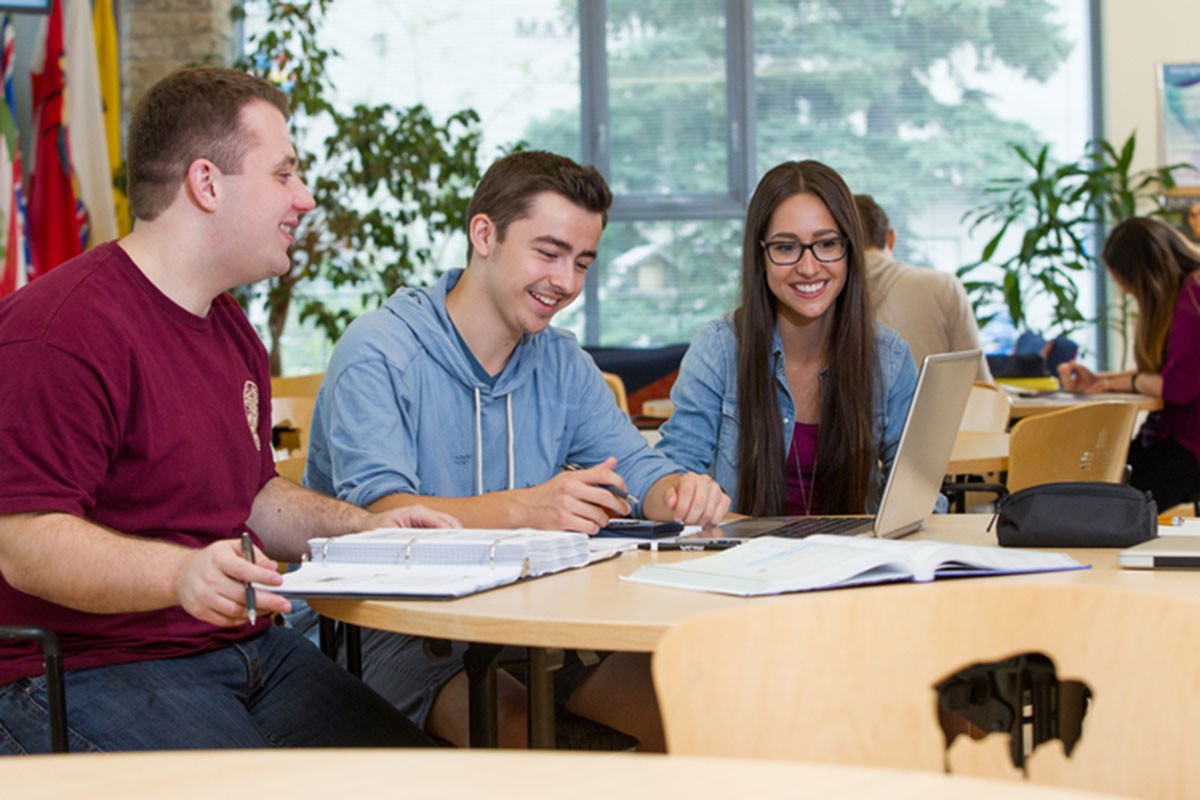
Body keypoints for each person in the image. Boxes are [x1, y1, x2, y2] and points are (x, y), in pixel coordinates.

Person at [0, 67, 460, 754]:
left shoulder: (229, 325)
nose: (304, 199)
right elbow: (24, 543)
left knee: (429, 779)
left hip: (244, 651)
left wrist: (368, 529)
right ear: (207, 183)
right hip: (86, 668)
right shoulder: (59, 330)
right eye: (284, 174)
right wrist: (179, 574)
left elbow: (251, 497)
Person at [301, 150, 730, 749]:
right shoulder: (379, 352)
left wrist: (676, 492)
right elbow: (382, 520)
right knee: (541, 745)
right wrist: (527, 509)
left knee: (702, 705)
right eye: (549, 253)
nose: (567, 283)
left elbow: (639, 469)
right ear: (485, 234)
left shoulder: (560, 362)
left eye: (583, 262)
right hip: (386, 630)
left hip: (528, 625)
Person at [655, 161, 918, 516]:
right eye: (785, 247)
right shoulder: (718, 349)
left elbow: (918, 495)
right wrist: (687, 495)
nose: (809, 268)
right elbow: (673, 477)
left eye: (827, 244)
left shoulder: (889, 358)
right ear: (760, 256)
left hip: (855, 563)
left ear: (850, 250)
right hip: (746, 563)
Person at [1058, 217, 1200, 510]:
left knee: (1101, 501)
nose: (1125, 293)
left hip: (1190, 446)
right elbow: (1167, 374)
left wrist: (1112, 382)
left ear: (1147, 275)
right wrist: (1101, 380)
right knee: (1095, 479)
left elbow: (1176, 386)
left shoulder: (1192, 296)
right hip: (1173, 436)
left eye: (1127, 283)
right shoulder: (1184, 293)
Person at [853, 194, 991, 382]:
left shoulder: (821, 297)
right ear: (891, 238)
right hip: (942, 412)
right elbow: (980, 385)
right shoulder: (943, 286)